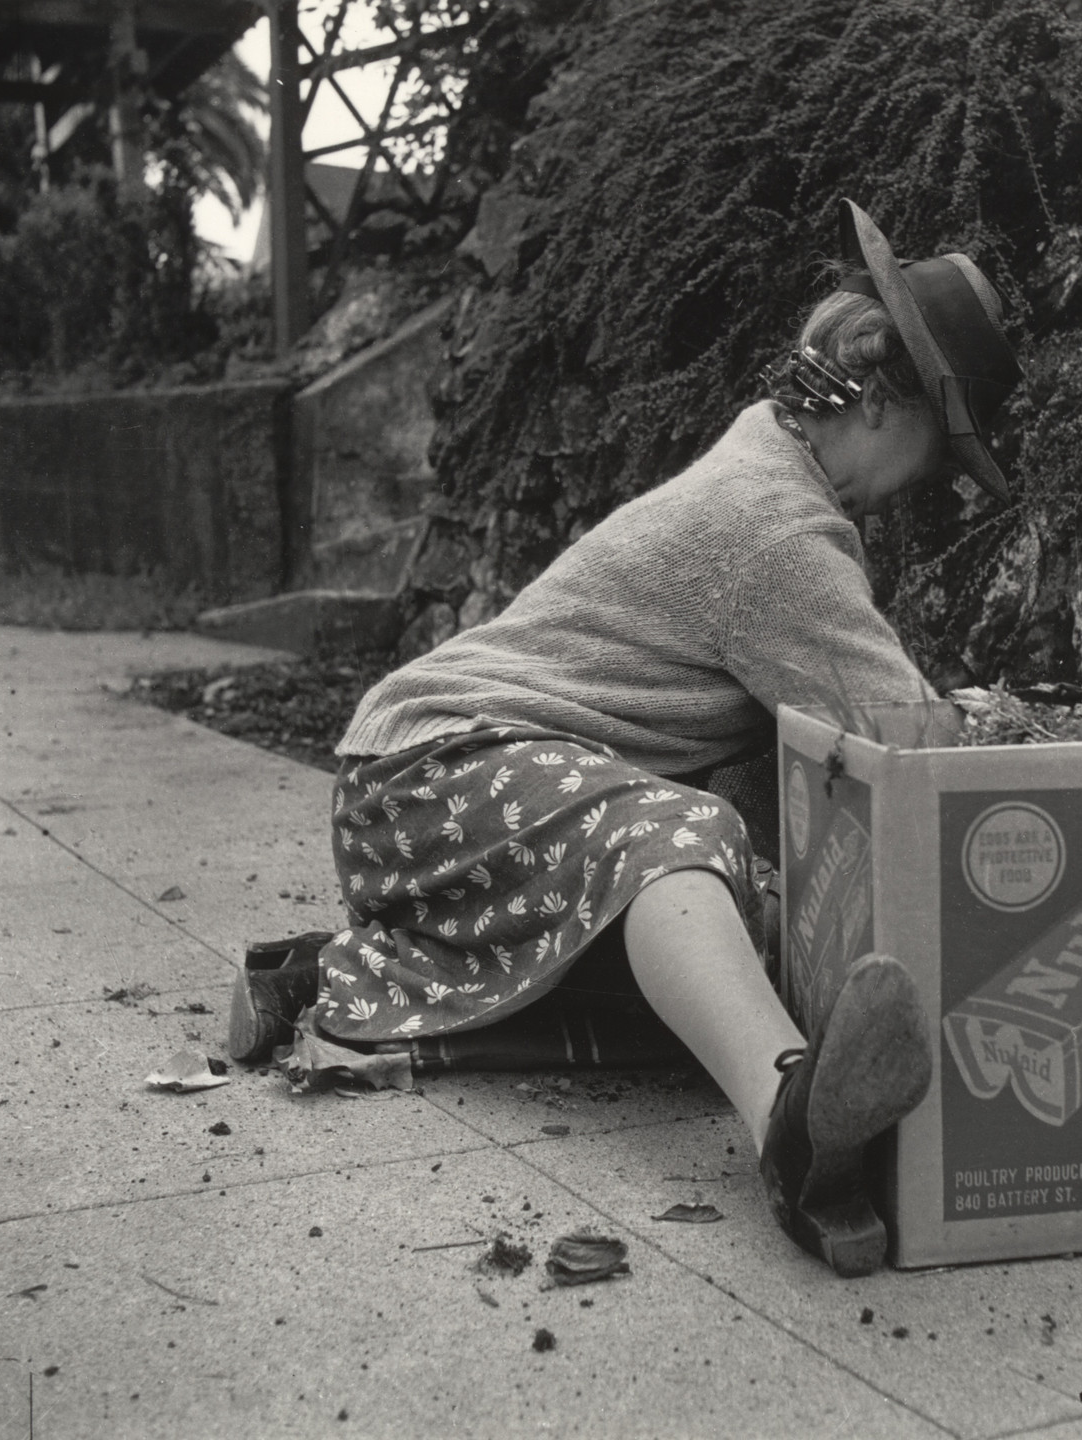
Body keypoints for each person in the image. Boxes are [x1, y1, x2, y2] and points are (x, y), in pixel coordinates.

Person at [230, 199, 1023, 1277]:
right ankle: (792, 1125)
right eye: (940, 449)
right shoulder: (780, 534)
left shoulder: (765, 454)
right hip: (432, 766)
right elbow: (910, 740)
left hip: (432, 798)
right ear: (885, 404)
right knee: (681, 835)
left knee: (734, 946)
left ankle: (333, 974)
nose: (928, 487)